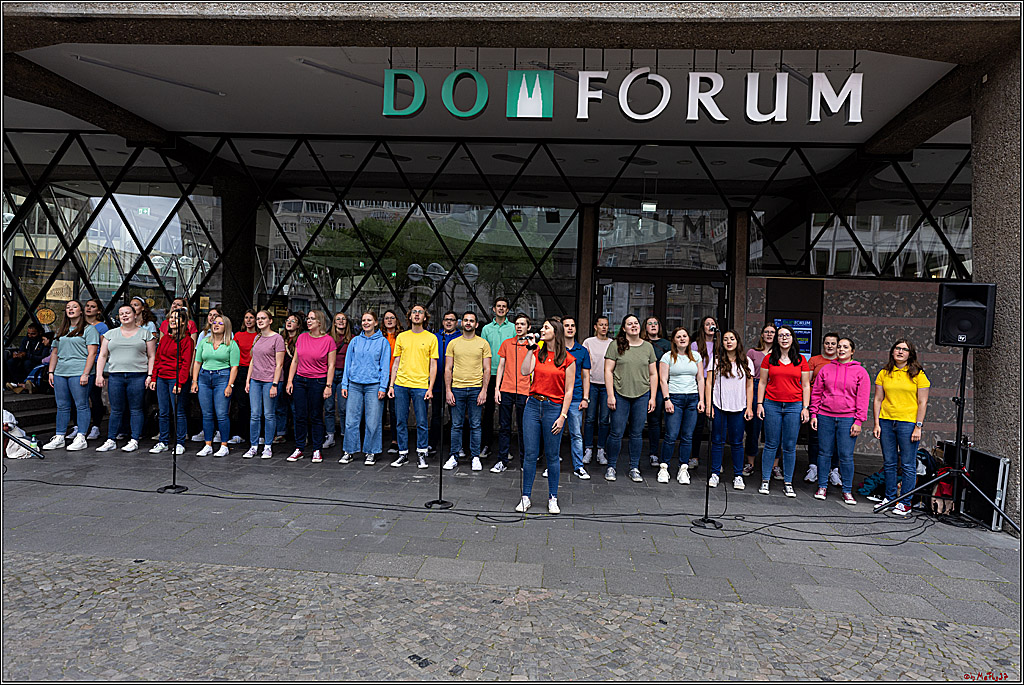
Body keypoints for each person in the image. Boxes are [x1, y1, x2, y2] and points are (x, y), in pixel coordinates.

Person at [516, 317, 576, 514]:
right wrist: (530, 349)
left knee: (552, 455)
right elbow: (524, 371)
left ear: (555, 333)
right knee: (530, 454)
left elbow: (569, 391)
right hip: (533, 405)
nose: (542, 330)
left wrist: (563, 416)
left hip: (554, 408)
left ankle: (553, 498)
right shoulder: (537, 353)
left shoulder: (568, 359)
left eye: (546, 328)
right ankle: (525, 497)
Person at [873, 339, 930, 517]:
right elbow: (878, 399)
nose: (900, 352)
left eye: (904, 349)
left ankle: (905, 502)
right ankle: (889, 498)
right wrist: (876, 423)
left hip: (908, 423)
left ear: (910, 354)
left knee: (907, 464)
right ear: (892, 351)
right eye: (897, 348)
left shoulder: (918, 374)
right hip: (886, 421)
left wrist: (918, 426)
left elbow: (922, 402)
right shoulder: (884, 373)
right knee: (889, 463)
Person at [810, 337, 871, 504]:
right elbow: (816, 393)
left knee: (846, 456)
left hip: (848, 418)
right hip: (825, 416)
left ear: (852, 351)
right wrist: (814, 414)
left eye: (845, 347)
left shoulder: (860, 372)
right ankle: (822, 486)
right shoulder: (826, 369)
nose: (841, 349)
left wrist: (858, 421)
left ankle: (847, 490)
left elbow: (863, 399)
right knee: (824, 453)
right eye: (839, 347)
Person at [756, 325, 811, 497]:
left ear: (793, 338)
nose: (784, 338)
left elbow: (806, 385)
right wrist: (759, 404)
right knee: (771, 444)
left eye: (787, 335)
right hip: (772, 404)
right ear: (776, 339)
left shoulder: (801, 360)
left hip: (794, 406)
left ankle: (788, 482)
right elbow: (762, 382)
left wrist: (805, 408)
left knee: (789, 446)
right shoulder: (769, 359)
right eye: (781, 335)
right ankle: (765, 480)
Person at [603, 314, 658, 483]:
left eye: (636, 323)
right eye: (629, 324)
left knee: (637, 433)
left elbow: (653, 373)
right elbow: (608, 371)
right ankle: (611, 466)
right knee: (616, 432)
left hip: (642, 395)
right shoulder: (615, 345)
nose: (633, 326)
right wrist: (610, 395)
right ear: (624, 328)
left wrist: (653, 397)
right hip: (620, 394)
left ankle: (634, 467)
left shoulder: (648, 347)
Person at [95, 304, 157, 452]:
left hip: (138, 375)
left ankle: (134, 439)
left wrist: (150, 375)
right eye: (121, 313)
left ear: (135, 315)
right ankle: (111, 439)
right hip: (115, 376)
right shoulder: (110, 334)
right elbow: (102, 355)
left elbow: (152, 356)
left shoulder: (146, 334)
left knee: (136, 409)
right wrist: (99, 374)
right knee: (116, 409)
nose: (124, 315)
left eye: (128, 312)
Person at [42, 301, 99, 451]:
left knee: (81, 404)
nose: (70, 309)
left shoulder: (89, 329)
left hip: (79, 371)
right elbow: (55, 352)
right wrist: (51, 371)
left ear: (81, 311)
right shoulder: (61, 330)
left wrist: (86, 373)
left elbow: (92, 353)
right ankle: (59, 436)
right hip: (61, 371)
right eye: (68, 307)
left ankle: (81, 437)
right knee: (62, 405)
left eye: (74, 307)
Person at [388, 304, 438, 469]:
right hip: (401, 384)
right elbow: (396, 362)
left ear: (425, 317)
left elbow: (433, 364)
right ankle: (402, 454)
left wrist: (430, 388)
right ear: (409, 317)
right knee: (400, 421)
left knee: (422, 421)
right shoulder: (402, 337)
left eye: (420, 312)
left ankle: (421, 453)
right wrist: (391, 385)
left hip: (421, 385)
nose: (417, 314)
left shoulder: (431, 338)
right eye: (414, 312)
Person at [705, 329, 754, 490]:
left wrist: (749, 407)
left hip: (739, 407)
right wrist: (709, 405)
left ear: (737, 341)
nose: (728, 342)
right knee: (717, 440)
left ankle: (738, 475)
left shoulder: (746, 361)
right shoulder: (716, 360)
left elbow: (749, 386)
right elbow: (709, 383)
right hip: (719, 405)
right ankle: (715, 473)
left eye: (732, 339)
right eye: (725, 339)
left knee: (737, 442)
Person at [340, 311, 391, 464]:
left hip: (374, 386)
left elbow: (385, 367)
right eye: (363, 320)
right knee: (351, 420)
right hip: (354, 384)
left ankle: (371, 451)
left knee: (373, 421)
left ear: (376, 323)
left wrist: (383, 387)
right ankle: (349, 451)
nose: (366, 323)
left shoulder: (383, 342)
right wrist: (345, 384)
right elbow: (347, 364)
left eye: (369, 320)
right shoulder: (355, 341)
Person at [285, 310, 336, 463]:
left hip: (318, 381)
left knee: (316, 415)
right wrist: (290, 381)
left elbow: (331, 365)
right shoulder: (302, 337)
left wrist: (328, 385)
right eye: (308, 318)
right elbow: (295, 361)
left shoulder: (328, 340)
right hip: (300, 380)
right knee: (300, 415)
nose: (308, 321)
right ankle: (299, 448)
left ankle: (316, 449)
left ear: (319, 322)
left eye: (312, 319)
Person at [443, 311, 492, 471]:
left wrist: (484, 390)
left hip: (476, 389)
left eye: (471, 320)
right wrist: (448, 390)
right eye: (466, 320)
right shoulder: (453, 343)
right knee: (456, 425)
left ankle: (475, 457)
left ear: (476, 324)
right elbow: (448, 368)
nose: (468, 323)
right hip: (457, 388)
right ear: (461, 323)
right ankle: (454, 456)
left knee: (475, 425)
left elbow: (487, 369)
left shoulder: (483, 343)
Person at [657, 327, 705, 485]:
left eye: (685, 336)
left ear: (689, 339)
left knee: (688, 436)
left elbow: (700, 379)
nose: (682, 339)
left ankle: (683, 469)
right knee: (671, 435)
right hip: (674, 398)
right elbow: (663, 380)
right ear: (674, 340)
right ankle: (664, 467)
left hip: (692, 398)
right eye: (678, 336)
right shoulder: (667, 357)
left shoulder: (696, 356)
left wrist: (701, 400)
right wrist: (667, 399)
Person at [190, 313, 239, 457]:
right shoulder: (204, 342)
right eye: (214, 323)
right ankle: (208, 445)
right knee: (207, 414)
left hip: (222, 377)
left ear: (226, 327)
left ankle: (224, 445)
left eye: (220, 323)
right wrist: (194, 381)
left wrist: (230, 385)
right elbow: (197, 362)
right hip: (204, 377)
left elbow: (234, 367)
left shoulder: (231, 344)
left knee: (222, 414)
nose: (216, 325)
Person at [148, 309, 194, 455]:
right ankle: (163, 441)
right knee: (163, 411)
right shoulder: (165, 339)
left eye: (177, 318)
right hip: (162, 378)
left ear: (183, 322)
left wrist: (180, 383)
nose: (173, 320)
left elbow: (186, 364)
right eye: (171, 317)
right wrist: (154, 377)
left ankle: (180, 442)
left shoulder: (187, 340)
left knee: (178, 412)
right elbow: (158, 359)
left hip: (175, 378)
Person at [493, 313, 532, 473]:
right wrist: (497, 388)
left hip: (524, 390)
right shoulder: (507, 343)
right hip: (507, 389)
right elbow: (501, 366)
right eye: (517, 324)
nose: (519, 326)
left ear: (529, 327)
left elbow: (535, 370)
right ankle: (502, 460)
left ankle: (524, 462)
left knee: (524, 428)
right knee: (504, 427)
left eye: (522, 324)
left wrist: (532, 392)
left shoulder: (533, 346)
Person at [244, 310, 285, 459]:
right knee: (254, 414)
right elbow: (252, 360)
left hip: (270, 380)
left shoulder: (277, 338)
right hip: (255, 379)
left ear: (270, 321)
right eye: (258, 319)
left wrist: (275, 384)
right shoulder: (257, 337)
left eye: (263, 318)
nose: (260, 321)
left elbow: (279, 364)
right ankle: (253, 446)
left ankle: (268, 446)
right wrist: (248, 380)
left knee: (269, 414)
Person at [480, 297, 516, 461]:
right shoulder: (486, 329)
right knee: (488, 412)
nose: (501, 309)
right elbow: (483, 352)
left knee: (505, 414)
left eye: (504, 306)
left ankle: (505, 448)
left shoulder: (513, 328)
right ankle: (486, 445)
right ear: (493, 309)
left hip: (508, 375)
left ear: (507, 310)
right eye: (498, 306)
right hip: (490, 374)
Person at [804, 332, 840, 486]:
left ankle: (834, 470)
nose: (830, 346)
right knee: (815, 438)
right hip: (817, 404)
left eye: (833, 343)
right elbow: (807, 382)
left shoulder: (842, 361)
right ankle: (813, 468)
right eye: (827, 343)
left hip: (835, 405)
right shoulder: (814, 360)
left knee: (836, 440)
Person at [743, 323, 775, 478]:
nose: (769, 334)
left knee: (774, 430)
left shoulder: (779, 353)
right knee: (753, 429)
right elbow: (746, 374)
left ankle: (775, 465)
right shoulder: (752, 352)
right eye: (766, 332)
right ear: (762, 334)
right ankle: (750, 463)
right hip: (755, 387)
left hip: (773, 388)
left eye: (772, 332)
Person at [562, 315, 592, 480]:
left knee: (576, 434)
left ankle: (579, 467)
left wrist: (585, 398)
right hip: (557, 397)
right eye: (566, 325)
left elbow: (586, 376)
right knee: (554, 434)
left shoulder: (582, 351)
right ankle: (551, 466)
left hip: (575, 397)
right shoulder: (556, 349)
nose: (570, 328)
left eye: (572, 325)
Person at [582, 316, 612, 467]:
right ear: (595, 327)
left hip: (607, 385)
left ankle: (601, 449)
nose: (604, 327)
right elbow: (584, 363)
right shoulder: (588, 342)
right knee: (590, 418)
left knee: (604, 419)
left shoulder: (612, 343)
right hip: (592, 384)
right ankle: (588, 449)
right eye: (601, 325)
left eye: (606, 325)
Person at [689, 315, 718, 470]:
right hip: (700, 383)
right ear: (703, 327)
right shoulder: (695, 345)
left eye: (713, 324)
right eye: (707, 324)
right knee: (698, 424)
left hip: (716, 385)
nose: (710, 326)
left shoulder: (720, 344)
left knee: (715, 425)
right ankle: (694, 456)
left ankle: (715, 460)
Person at [642, 316, 671, 468]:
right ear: (645, 327)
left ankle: (659, 453)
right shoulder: (641, 343)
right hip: (643, 385)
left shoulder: (667, 344)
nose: (653, 326)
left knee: (659, 419)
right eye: (650, 323)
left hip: (662, 386)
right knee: (649, 420)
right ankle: (648, 452)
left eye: (655, 323)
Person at [191, 306, 224, 442]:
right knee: (206, 408)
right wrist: (194, 377)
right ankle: (207, 432)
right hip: (204, 373)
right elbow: (197, 355)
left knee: (220, 408)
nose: (212, 317)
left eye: (215, 315)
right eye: (210, 315)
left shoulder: (228, 334)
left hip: (221, 374)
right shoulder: (203, 334)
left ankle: (220, 432)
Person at [430, 311, 461, 453]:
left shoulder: (461, 337)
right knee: (436, 414)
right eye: (446, 319)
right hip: (437, 382)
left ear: (456, 323)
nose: (449, 322)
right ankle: (433, 444)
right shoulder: (435, 338)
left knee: (456, 416)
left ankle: (457, 446)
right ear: (443, 322)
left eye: (452, 320)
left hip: (455, 383)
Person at [323, 312, 353, 449]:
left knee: (343, 407)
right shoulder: (328, 338)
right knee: (329, 407)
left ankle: (345, 435)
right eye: (338, 319)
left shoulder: (352, 339)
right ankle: (330, 436)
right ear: (334, 323)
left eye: (343, 319)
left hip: (344, 375)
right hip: (330, 374)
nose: (341, 321)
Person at [229, 309, 259, 445]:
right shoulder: (238, 335)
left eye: (251, 317)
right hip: (240, 370)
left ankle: (257, 434)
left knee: (256, 405)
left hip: (256, 370)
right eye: (246, 317)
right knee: (241, 404)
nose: (248, 320)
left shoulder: (259, 336)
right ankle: (240, 434)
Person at [273, 312, 302, 444]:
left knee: (296, 408)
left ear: (298, 325)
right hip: (281, 375)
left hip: (296, 375)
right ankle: (281, 432)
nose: (289, 323)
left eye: (293, 321)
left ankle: (300, 435)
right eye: (287, 320)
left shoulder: (301, 339)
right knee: (280, 406)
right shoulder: (280, 339)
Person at [82, 298, 109, 440]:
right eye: (87, 306)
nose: (88, 308)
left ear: (98, 311)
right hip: (80, 363)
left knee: (95, 396)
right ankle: (79, 426)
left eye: (92, 307)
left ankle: (96, 426)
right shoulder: (80, 325)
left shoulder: (102, 327)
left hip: (95, 363)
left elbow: (104, 347)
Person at [381, 309, 403, 454]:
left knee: (395, 411)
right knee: (380, 410)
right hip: (381, 377)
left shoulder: (401, 337)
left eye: (392, 318)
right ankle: (378, 439)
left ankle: (395, 440)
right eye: (386, 318)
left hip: (396, 377)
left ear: (397, 320)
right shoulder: (379, 337)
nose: (389, 320)